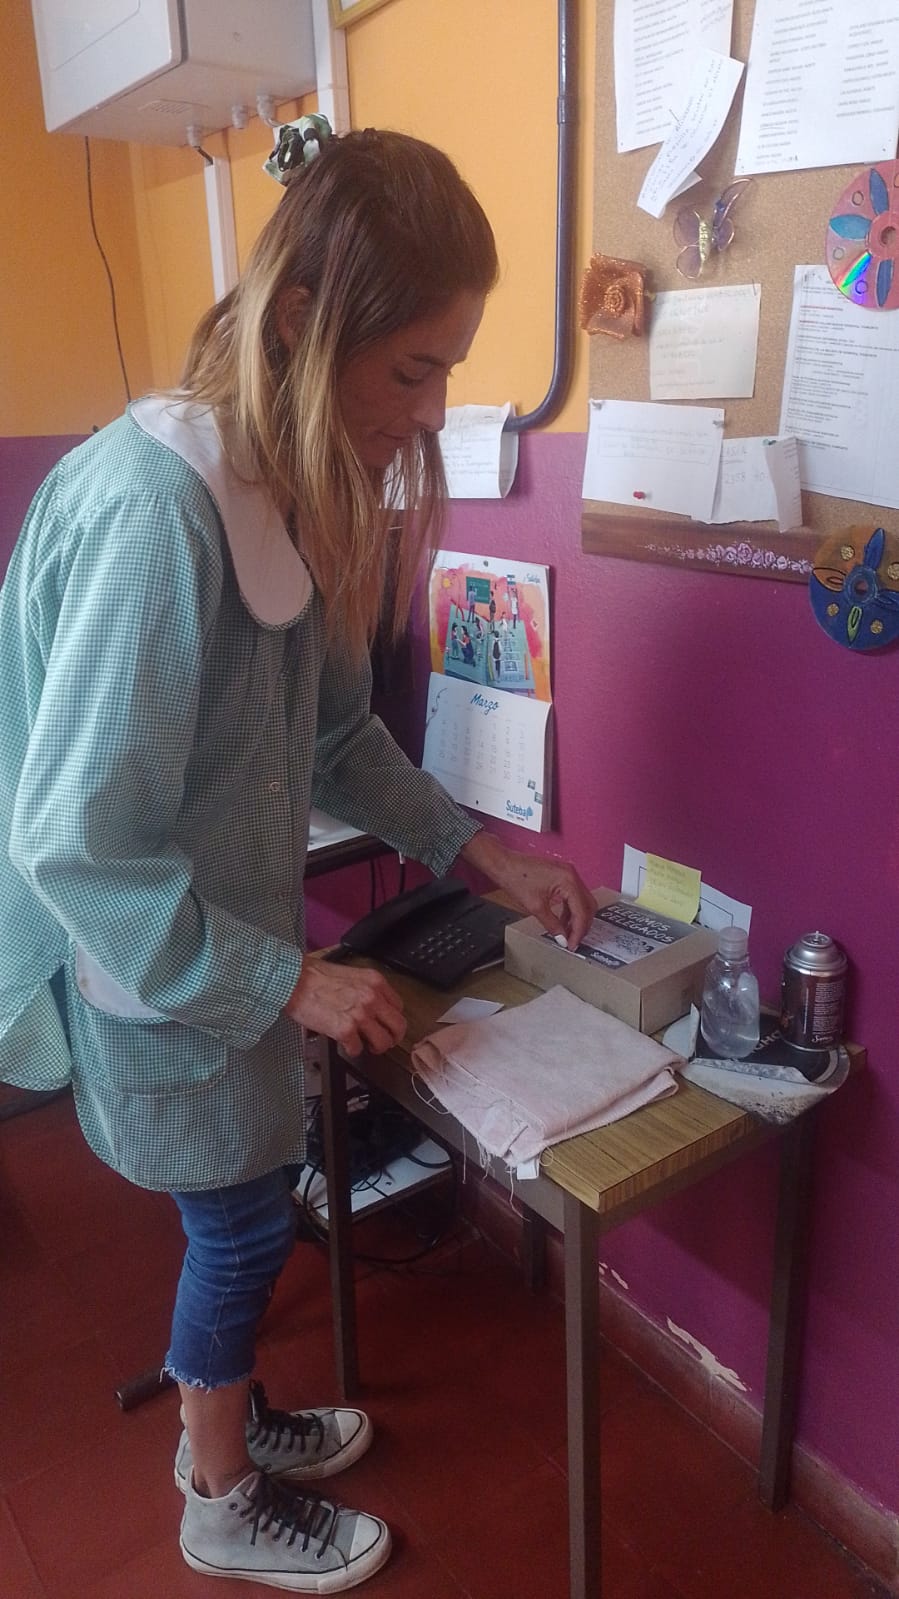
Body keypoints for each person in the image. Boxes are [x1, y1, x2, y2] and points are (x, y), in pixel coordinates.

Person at [0, 122, 594, 1593]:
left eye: (450, 371)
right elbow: (76, 843)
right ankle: (216, 1490)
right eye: (413, 370)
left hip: (236, 951)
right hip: (165, 963)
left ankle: (227, 1411)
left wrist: (483, 854)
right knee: (241, 1224)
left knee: (247, 1205)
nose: (432, 412)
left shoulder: (284, 484)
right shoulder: (157, 515)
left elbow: (337, 736)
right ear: (301, 326)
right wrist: (290, 981)